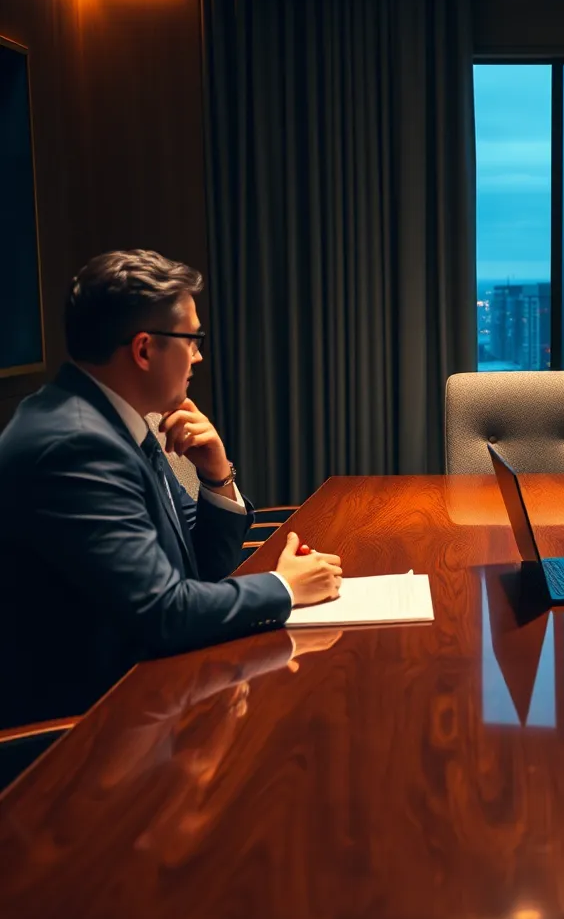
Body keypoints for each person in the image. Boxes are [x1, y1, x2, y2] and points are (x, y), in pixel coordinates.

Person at [0, 250, 342, 729]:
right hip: (86, 732)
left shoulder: (113, 419)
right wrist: (286, 587)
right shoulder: (76, 443)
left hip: (149, 694)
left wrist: (217, 474)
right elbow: (164, 612)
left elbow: (198, 567)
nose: (199, 356)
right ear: (143, 350)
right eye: (192, 339)